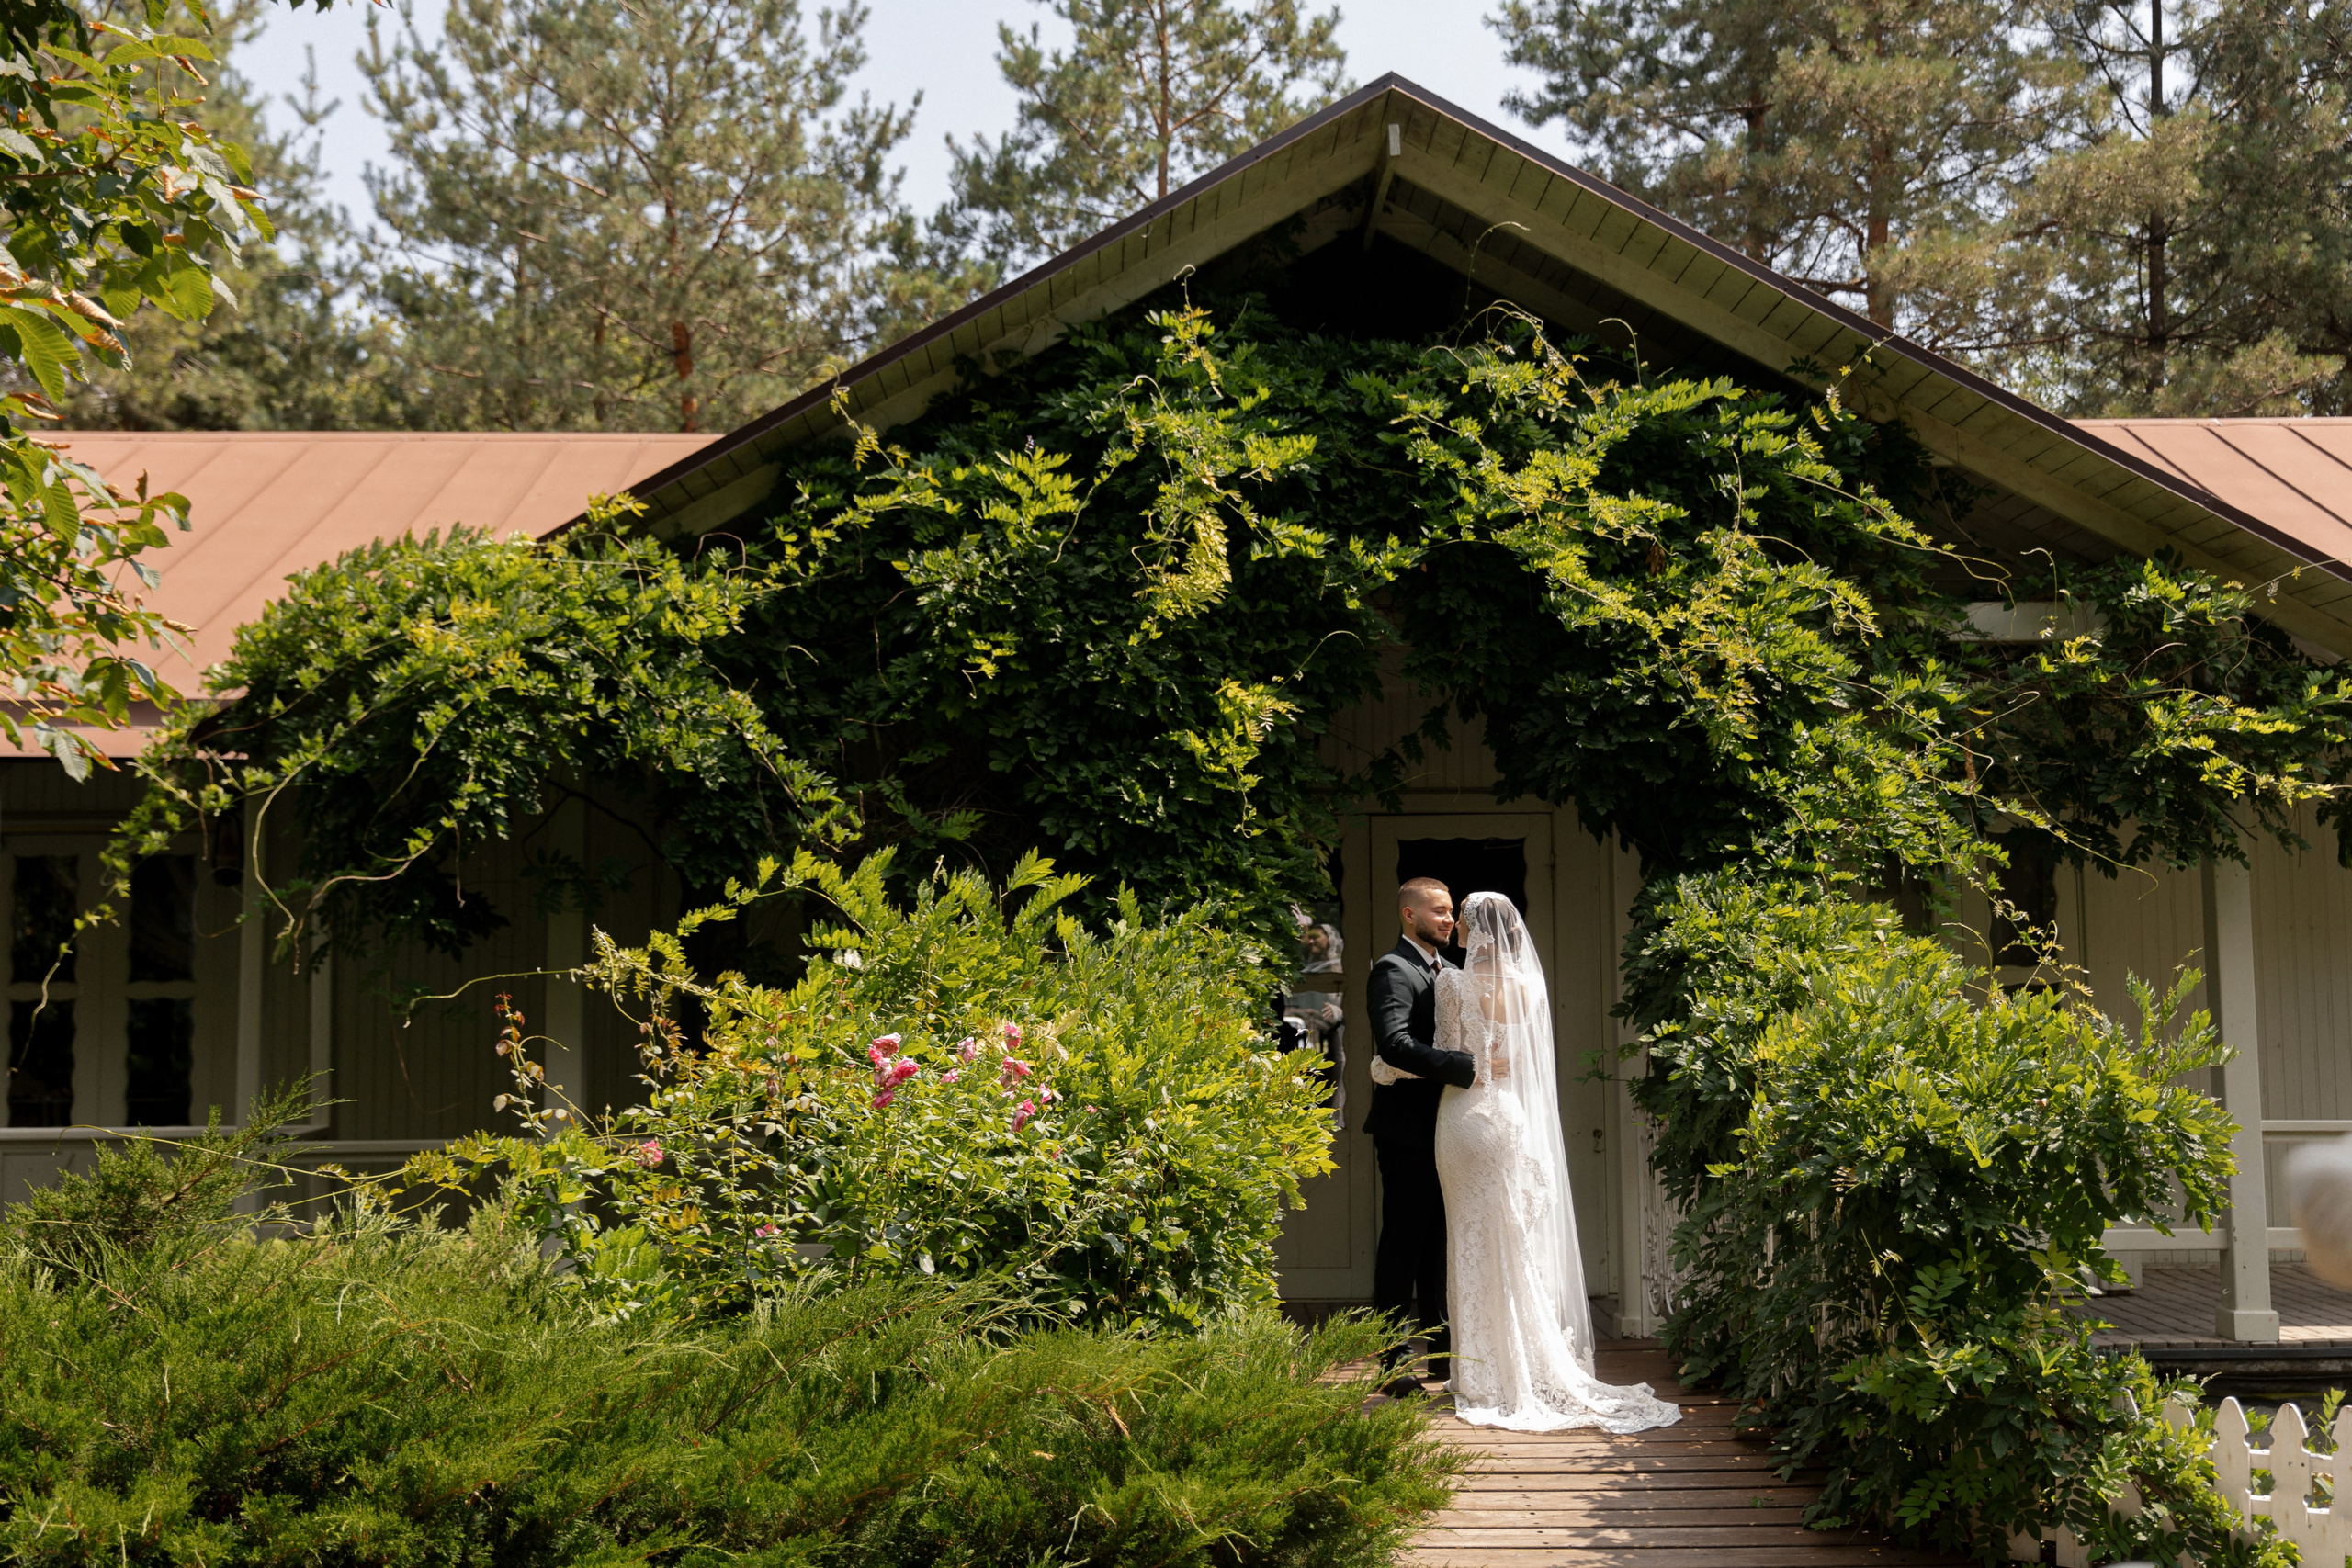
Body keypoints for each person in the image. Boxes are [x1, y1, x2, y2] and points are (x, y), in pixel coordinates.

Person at [1432, 891, 1680, 1433]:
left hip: (1465, 1114)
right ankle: (1521, 1362)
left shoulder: (1452, 983)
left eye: (1464, 916)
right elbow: (1520, 1061)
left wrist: (1385, 1067)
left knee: (1470, 1236)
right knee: (1512, 1238)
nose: (1458, 926)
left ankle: (1481, 1375)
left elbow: (1448, 1054)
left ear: (1476, 927)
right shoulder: (1528, 985)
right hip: (1510, 1116)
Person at [1364, 875, 1477, 1396]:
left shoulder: (1450, 972)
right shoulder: (1392, 969)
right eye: (1438, 911)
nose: (1449, 919)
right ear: (1409, 915)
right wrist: (1462, 1068)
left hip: (1449, 1127)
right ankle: (1392, 1364)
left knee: (1438, 1245)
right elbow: (1394, 1044)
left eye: (1451, 910)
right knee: (1403, 1246)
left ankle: (1440, 1355)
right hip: (1406, 1131)